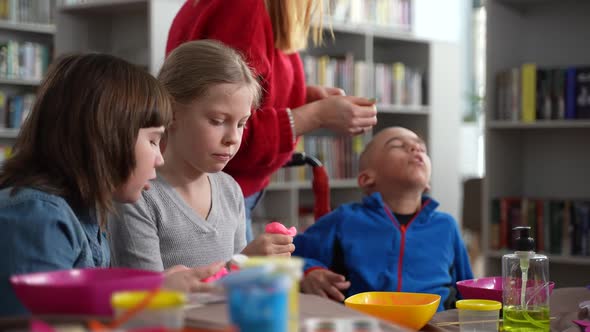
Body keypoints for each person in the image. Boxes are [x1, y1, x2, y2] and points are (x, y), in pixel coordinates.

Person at [0, 53, 223, 316]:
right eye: (152, 141)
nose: (160, 159)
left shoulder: (87, 213)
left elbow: (84, 309)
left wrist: (157, 286)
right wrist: (154, 292)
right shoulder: (37, 218)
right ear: (106, 138)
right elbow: (48, 324)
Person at [167, 0, 378, 242]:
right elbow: (231, 130)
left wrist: (302, 96)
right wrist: (317, 114)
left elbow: (233, 100)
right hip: (218, 195)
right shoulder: (243, 8)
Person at [108, 40, 295, 273]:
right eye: (217, 121)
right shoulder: (138, 196)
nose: (233, 138)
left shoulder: (230, 191)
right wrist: (241, 264)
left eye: (241, 124)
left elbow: (235, 290)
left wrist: (261, 270)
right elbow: (147, 297)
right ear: (172, 112)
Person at [293, 127, 474, 311]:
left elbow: (469, 293)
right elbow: (290, 255)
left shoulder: (446, 226)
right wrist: (308, 271)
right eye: (398, 145)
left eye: (421, 148)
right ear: (367, 179)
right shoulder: (344, 219)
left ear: (427, 182)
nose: (416, 149)